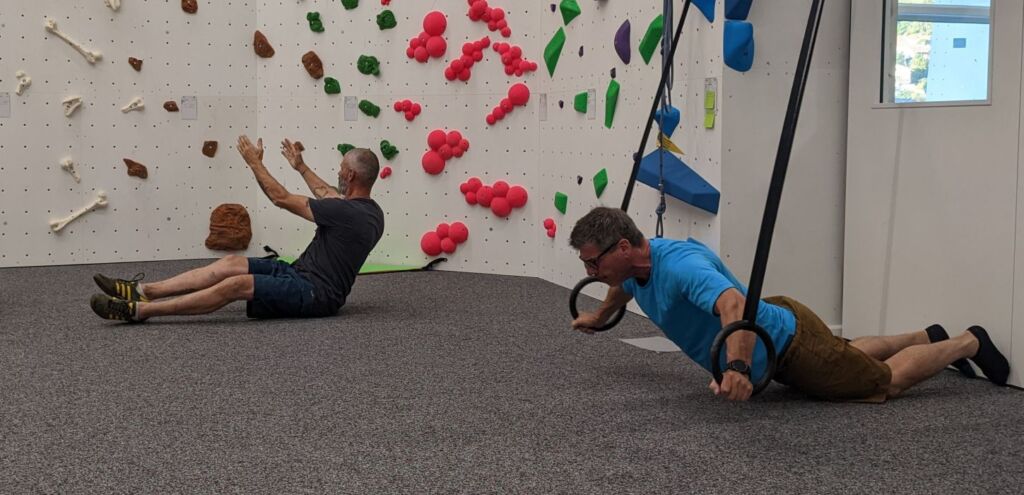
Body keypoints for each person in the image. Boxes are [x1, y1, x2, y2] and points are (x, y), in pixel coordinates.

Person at [569, 207, 1010, 402]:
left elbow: (733, 305)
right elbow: (625, 289)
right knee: (847, 355)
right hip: (779, 325)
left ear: (623, 247)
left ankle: (966, 342)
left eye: (594, 263)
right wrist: (601, 314)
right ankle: (926, 336)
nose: (591, 272)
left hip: (788, 345)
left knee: (884, 380)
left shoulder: (681, 267)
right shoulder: (634, 271)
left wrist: (736, 369)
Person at [90, 135, 384, 322]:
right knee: (231, 263)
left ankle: (141, 311)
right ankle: (143, 290)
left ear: (349, 175)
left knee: (236, 285)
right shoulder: (371, 213)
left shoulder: (345, 212)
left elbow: (281, 198)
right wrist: (301, 167)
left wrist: (254, 164)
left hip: (315, 293)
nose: (337, 173)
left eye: (340, 169)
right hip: (298, 272)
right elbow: (327, 193)